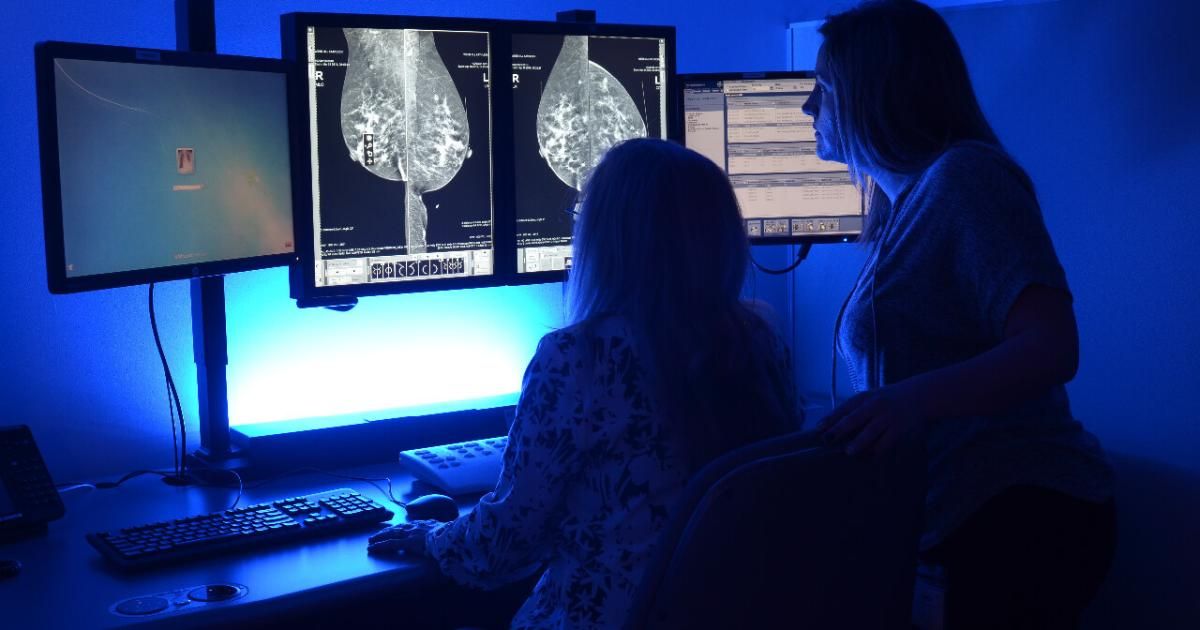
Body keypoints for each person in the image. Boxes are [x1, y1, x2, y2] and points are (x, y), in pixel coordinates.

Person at [368, 138, 800, 629]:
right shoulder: (758, 339)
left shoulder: (579, 357)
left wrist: (431, 537)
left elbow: (500, 549)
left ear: (606, 238)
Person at [807, 2, 1116, 628]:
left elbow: (1053, 345)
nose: (808, 107)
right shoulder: (908, 205)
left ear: (873, 95)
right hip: (967, 516)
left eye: (824, 88)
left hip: (1020, 515)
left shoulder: (966, 179)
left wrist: (908, 402)